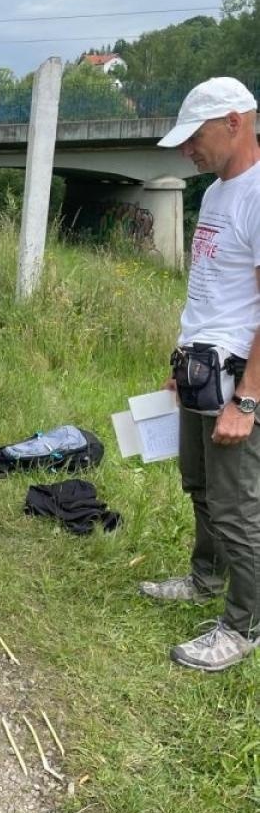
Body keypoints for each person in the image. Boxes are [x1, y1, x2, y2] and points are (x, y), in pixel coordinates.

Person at [139, 77, 260, 672]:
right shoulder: (214, 194)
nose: (188, 149)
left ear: (235, 122)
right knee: (200, 486)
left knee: (239, 509)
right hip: (198, 370)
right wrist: (177, 359)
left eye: (197, 136)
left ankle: (245, 626)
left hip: (238, 381)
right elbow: (208, 290)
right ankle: (206, 578)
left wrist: (250, 400)